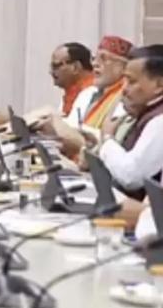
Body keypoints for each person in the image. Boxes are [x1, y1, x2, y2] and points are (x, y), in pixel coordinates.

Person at [95, 45, 163, 197]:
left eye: (131, 82)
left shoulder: (160, 121)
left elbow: (131, 176)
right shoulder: (144, 111)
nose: (124, 89)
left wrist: (107, 139)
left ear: (159, 85)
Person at [50, 42, 96, 120]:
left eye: (56, 66)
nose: (51, 72)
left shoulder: (93, 93)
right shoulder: (69, 93)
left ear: (75, 67)